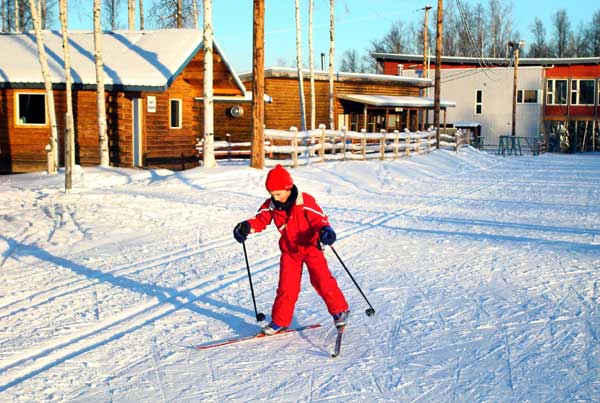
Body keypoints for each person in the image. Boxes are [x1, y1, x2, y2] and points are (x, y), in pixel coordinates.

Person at [233, 164, 350, 335]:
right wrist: (246, 227)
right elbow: (260, 219)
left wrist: (326, 231)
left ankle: (339, 310)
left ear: (288, 188)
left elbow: (320, 220)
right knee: (287, 287)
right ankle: (280, 321)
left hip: (311, 248)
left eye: (278, 193)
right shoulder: (272, 205)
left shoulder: (305, 202)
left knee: (322, 280)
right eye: (272, 194)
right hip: (289, 251)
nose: (275, 197)